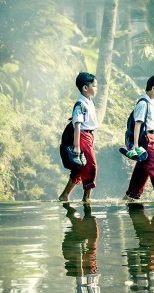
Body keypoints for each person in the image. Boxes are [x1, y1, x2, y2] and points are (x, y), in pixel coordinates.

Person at [123, 74, 154, 202]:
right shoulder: (143, 103)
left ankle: (130, 196)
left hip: (151, 138)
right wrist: (136, 145)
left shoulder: (151, 103)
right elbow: (138, 125)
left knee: (142, 170)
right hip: (145, 140)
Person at [59, 72, 99, 203]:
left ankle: (65, 195)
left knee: (80, 167)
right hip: (82, 136)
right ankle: (86, 197)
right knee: (91, 166)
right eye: (94, 86)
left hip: (88, 136)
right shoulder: (80, 104)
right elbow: (77, 125)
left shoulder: (89, 102)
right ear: (85, 88)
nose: (96, 88)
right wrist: (76, 146)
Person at [61, 202, 102, 293]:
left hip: (81, 253)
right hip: (84, 255)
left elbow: (80, 274)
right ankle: (73, 206)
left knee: (88, 227)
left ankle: (72, 205)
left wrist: (80, 251)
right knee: (83, 224)